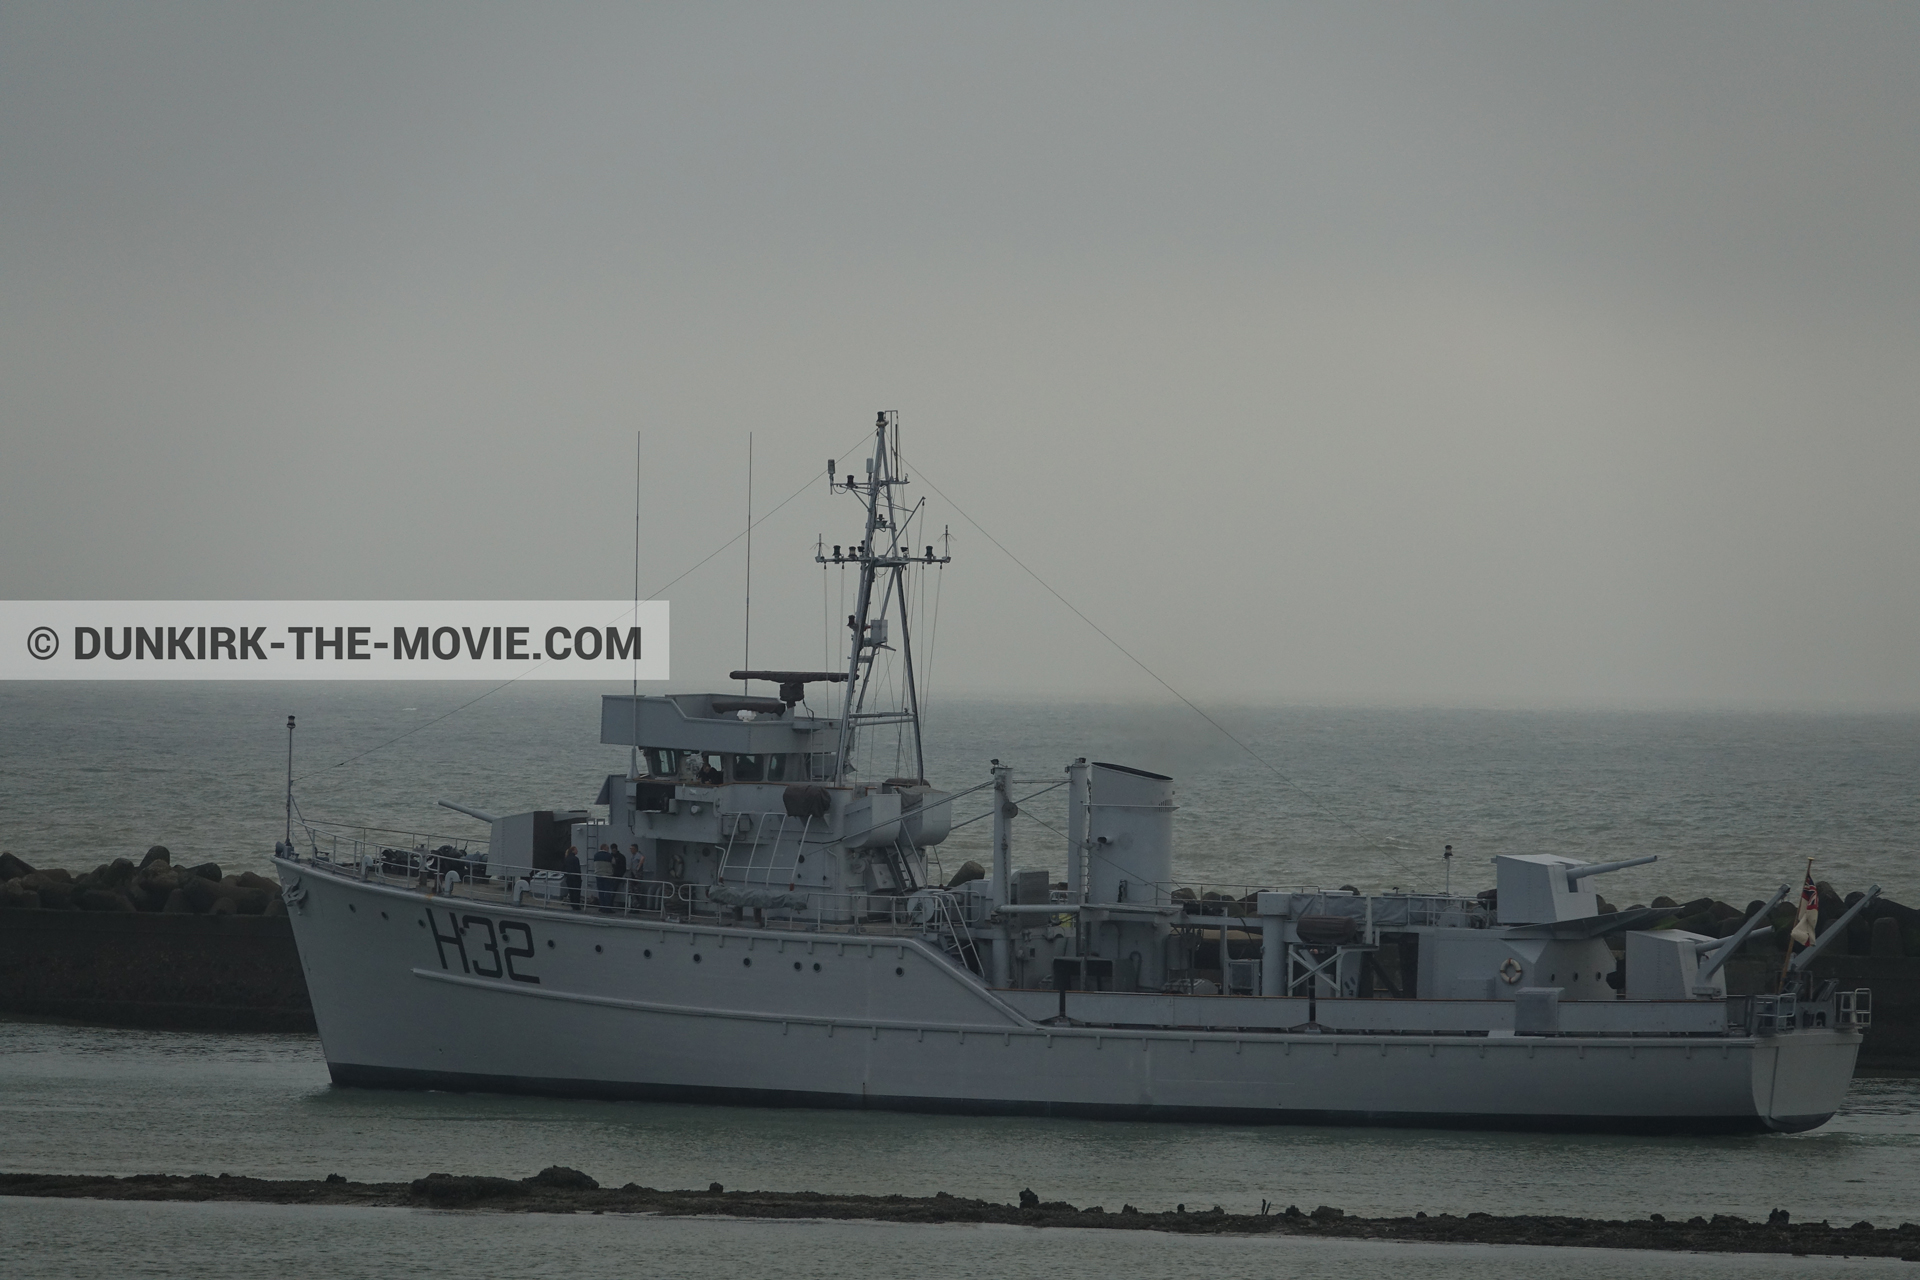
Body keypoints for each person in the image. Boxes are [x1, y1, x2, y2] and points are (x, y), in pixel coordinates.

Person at [592, 843, 615, 911]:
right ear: (605, 848)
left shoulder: (596, 855)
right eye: (607, 848)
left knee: (601, 891)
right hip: (607, 876)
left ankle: (602, 906)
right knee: (607, 891)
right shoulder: (609, 856)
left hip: (598, 875)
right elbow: (614, 863)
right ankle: (607, 907)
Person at [562, 845, 583, 911]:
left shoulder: (566, 858)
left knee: (571, 892)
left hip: (569, 878)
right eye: (576, 850)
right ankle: (577, 906)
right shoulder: (575, 859)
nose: (577, 851)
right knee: (576, 892)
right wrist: (579, 876)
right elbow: (577, 869)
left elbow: (564, 868)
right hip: (575, 878)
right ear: (573, 850)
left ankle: (573, 905)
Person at [609, 844, 628, 912]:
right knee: (610, 890)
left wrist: (619, 875)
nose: (613, 850)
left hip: (615, 876)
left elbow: (623, 868)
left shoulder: (619, 857)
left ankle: (609, 904)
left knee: (612, 890)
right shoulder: (617, 856)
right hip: (612, 876)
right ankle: (609, 904)